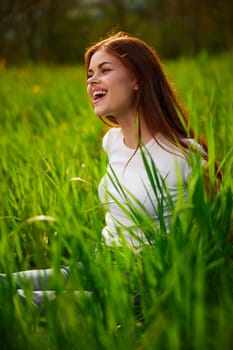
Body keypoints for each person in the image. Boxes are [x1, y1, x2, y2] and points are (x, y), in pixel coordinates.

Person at [0, 31, 221, 307]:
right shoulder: (112, 141)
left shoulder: (183, 157)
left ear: (137, 79)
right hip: (99, 264)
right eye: (90, 73)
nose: (92, 80)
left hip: (143, 286)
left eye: (104, 70)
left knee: (17, 303)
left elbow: (219, 236)